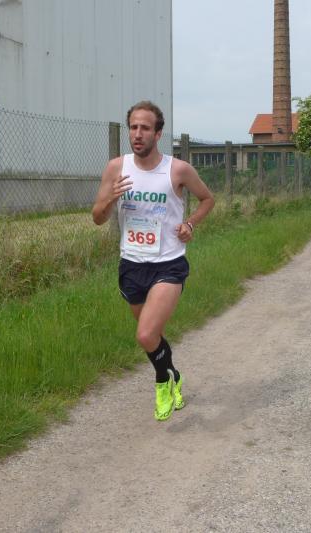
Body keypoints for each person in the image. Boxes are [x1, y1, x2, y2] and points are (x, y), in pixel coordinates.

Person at [92, 101, 215, 421]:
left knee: (146, 335)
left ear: (158, 134)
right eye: (133, 127)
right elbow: (97, 217)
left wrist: (190, 224)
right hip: (131, 265)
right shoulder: (116, 168)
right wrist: (109, 199)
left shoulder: (178, 169)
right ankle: (174, 374)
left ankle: (162, 382)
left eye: (145, 128)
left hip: (168, 264)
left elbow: (207, 199)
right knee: (153, 335)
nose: (138, 134)